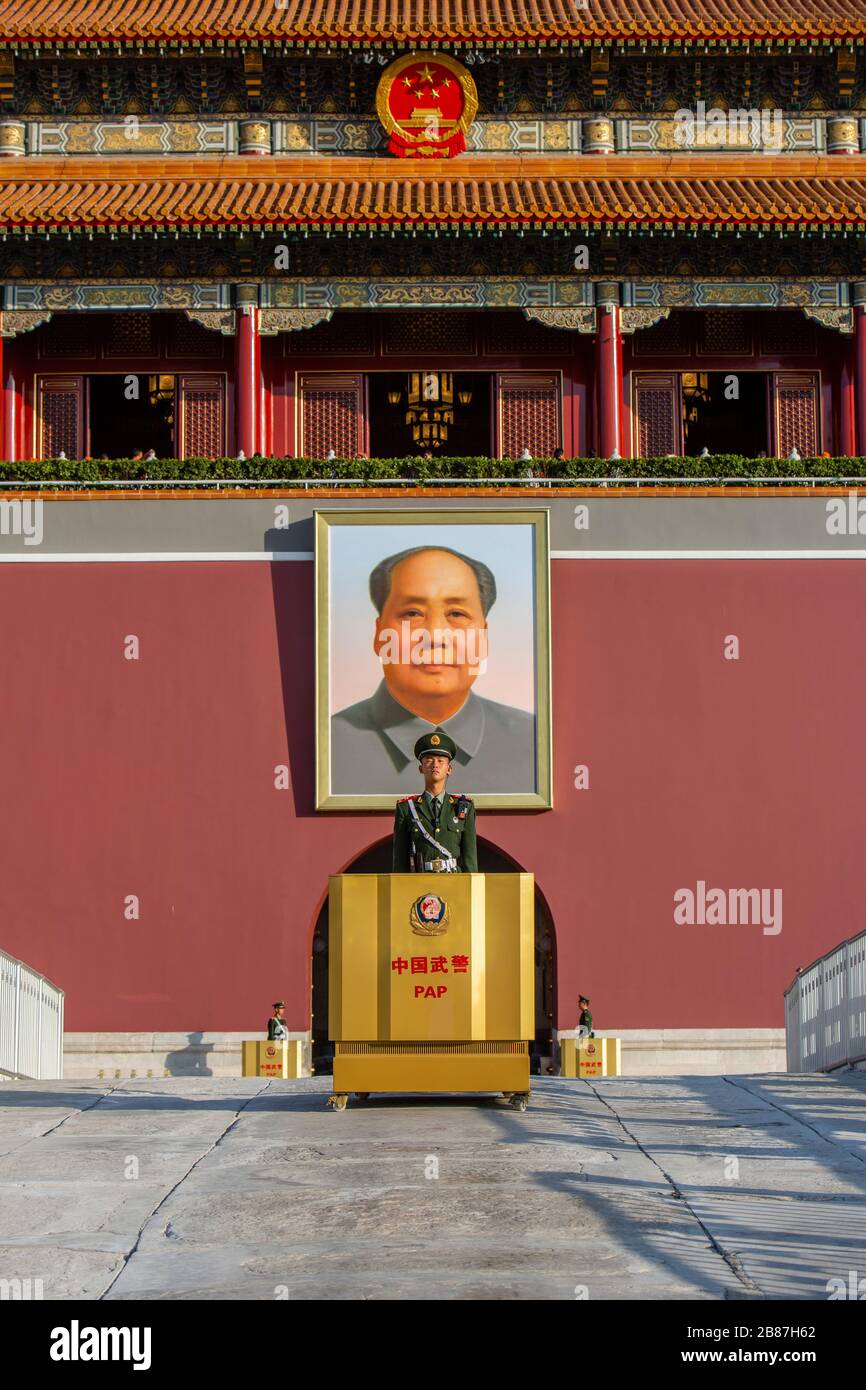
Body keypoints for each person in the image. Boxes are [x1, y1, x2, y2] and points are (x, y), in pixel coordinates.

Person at [331, 544, 535, 794]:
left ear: (483, 638)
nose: (435, 636)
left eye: (457, 614)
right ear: (379, 635)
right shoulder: (327, 747)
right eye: (413, 613)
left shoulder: (536, 743)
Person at [392, 730, 477, 872]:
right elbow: (400, 859)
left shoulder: (463, 807)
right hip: (420, 882)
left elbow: (470, 858)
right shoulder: (407, 808)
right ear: (421, 768)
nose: (435, 765)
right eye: (429, 760)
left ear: (449, 769)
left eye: (440, 761)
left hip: (454, 882)